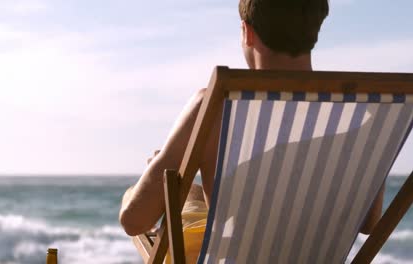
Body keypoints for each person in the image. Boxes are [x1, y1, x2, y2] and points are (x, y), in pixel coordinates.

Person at [120, 0, 384, 262]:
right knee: (193, 195)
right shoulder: (368, 113)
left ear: (247, 32)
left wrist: (161, 165)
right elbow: (370, 223)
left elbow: (135, 221)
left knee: (136, 195)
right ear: (315, 30)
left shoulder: (215, 107)